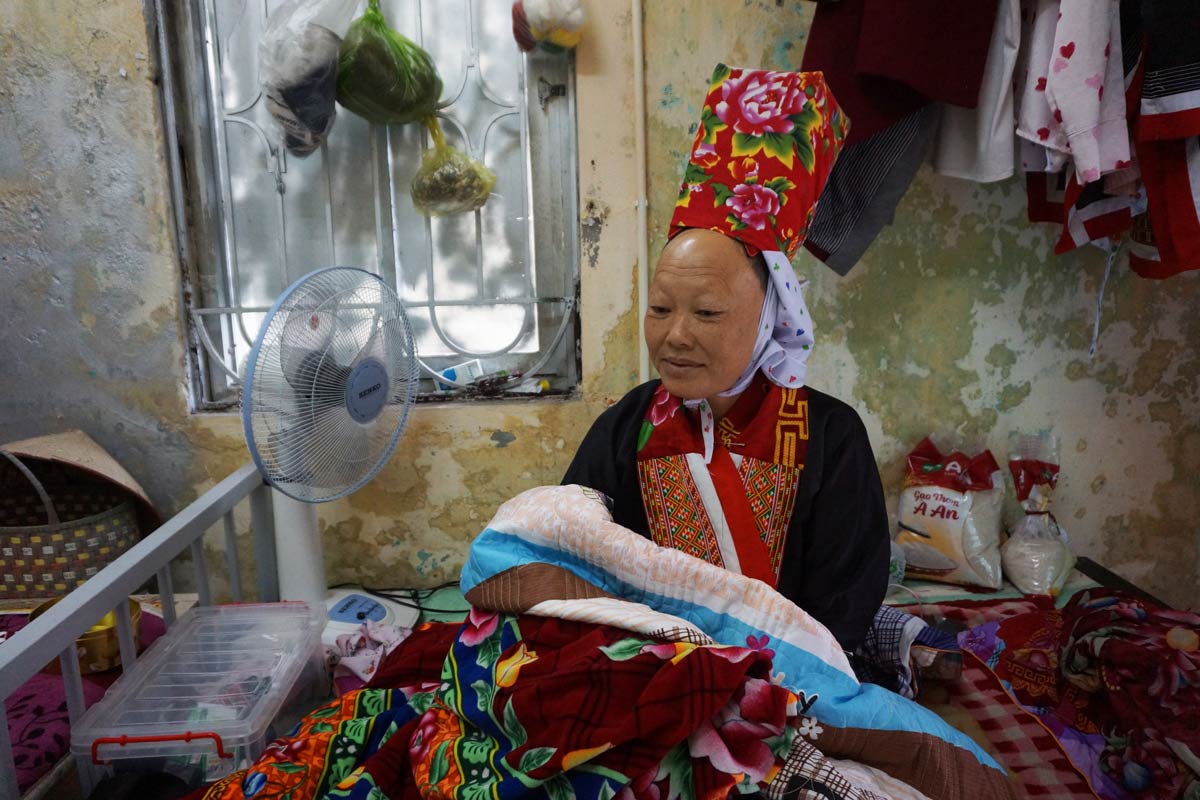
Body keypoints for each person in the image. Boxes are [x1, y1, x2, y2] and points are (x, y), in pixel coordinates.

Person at [563, 64, 889, 652]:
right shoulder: (628, 428)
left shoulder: (830, 438)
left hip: (792, 682)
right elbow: (575, 555)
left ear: (772, 317)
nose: (675, 336)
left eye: (707, 313)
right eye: (660, 309)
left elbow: (844, 604)